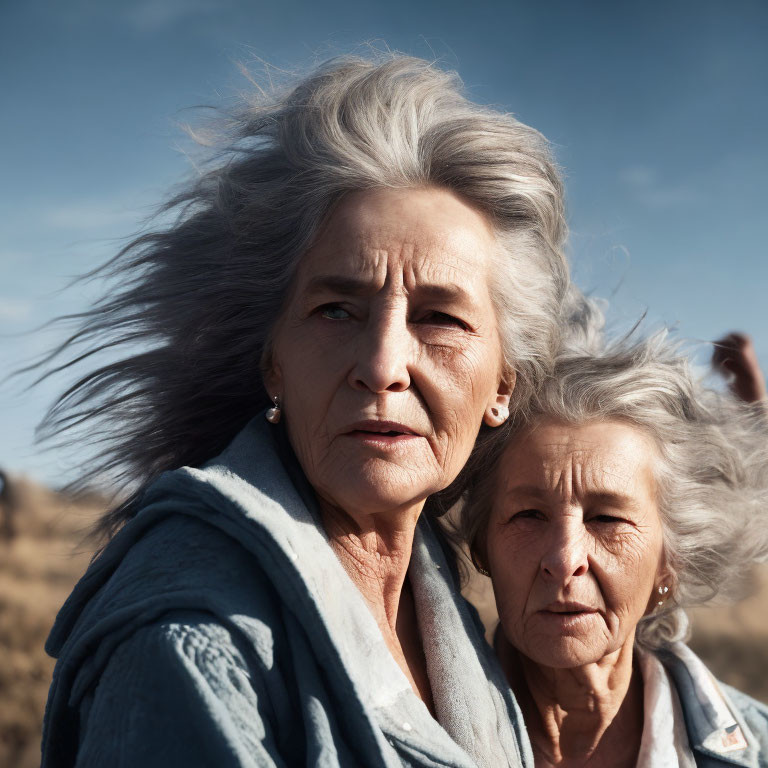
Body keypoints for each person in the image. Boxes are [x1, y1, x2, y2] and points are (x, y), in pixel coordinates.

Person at [40, 55, 571, 767]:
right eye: (335, 310)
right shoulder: (192, 642)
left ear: (502, 384)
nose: (382, 366)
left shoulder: (440, 595)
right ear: (273, 361)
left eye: (440, 319)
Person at [457, 333, 768, 767]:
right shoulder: (413, 733)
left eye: (606, 519)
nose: (565, 561)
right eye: (529, 515)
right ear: (483, 546)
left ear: (669, 562)